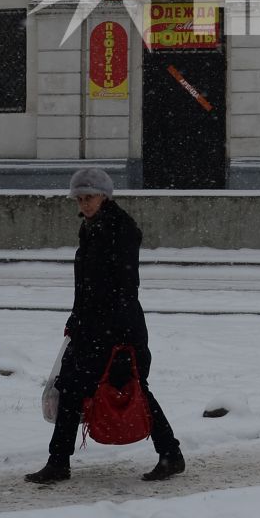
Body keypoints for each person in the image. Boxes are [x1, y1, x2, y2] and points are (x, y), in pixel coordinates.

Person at [26, 167, 184, 485]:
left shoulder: (121, 229)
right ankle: (59, 462)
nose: (83, 204)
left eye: (89, 197)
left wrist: (116, 335)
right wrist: (77, 318)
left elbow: (125, 287)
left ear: (104, 196)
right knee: (70, 389)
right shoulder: (90, 228)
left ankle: (171, 454)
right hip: (91, 329)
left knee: (134, 389)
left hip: (118, 332)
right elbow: (86, 284)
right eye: (79, 198)